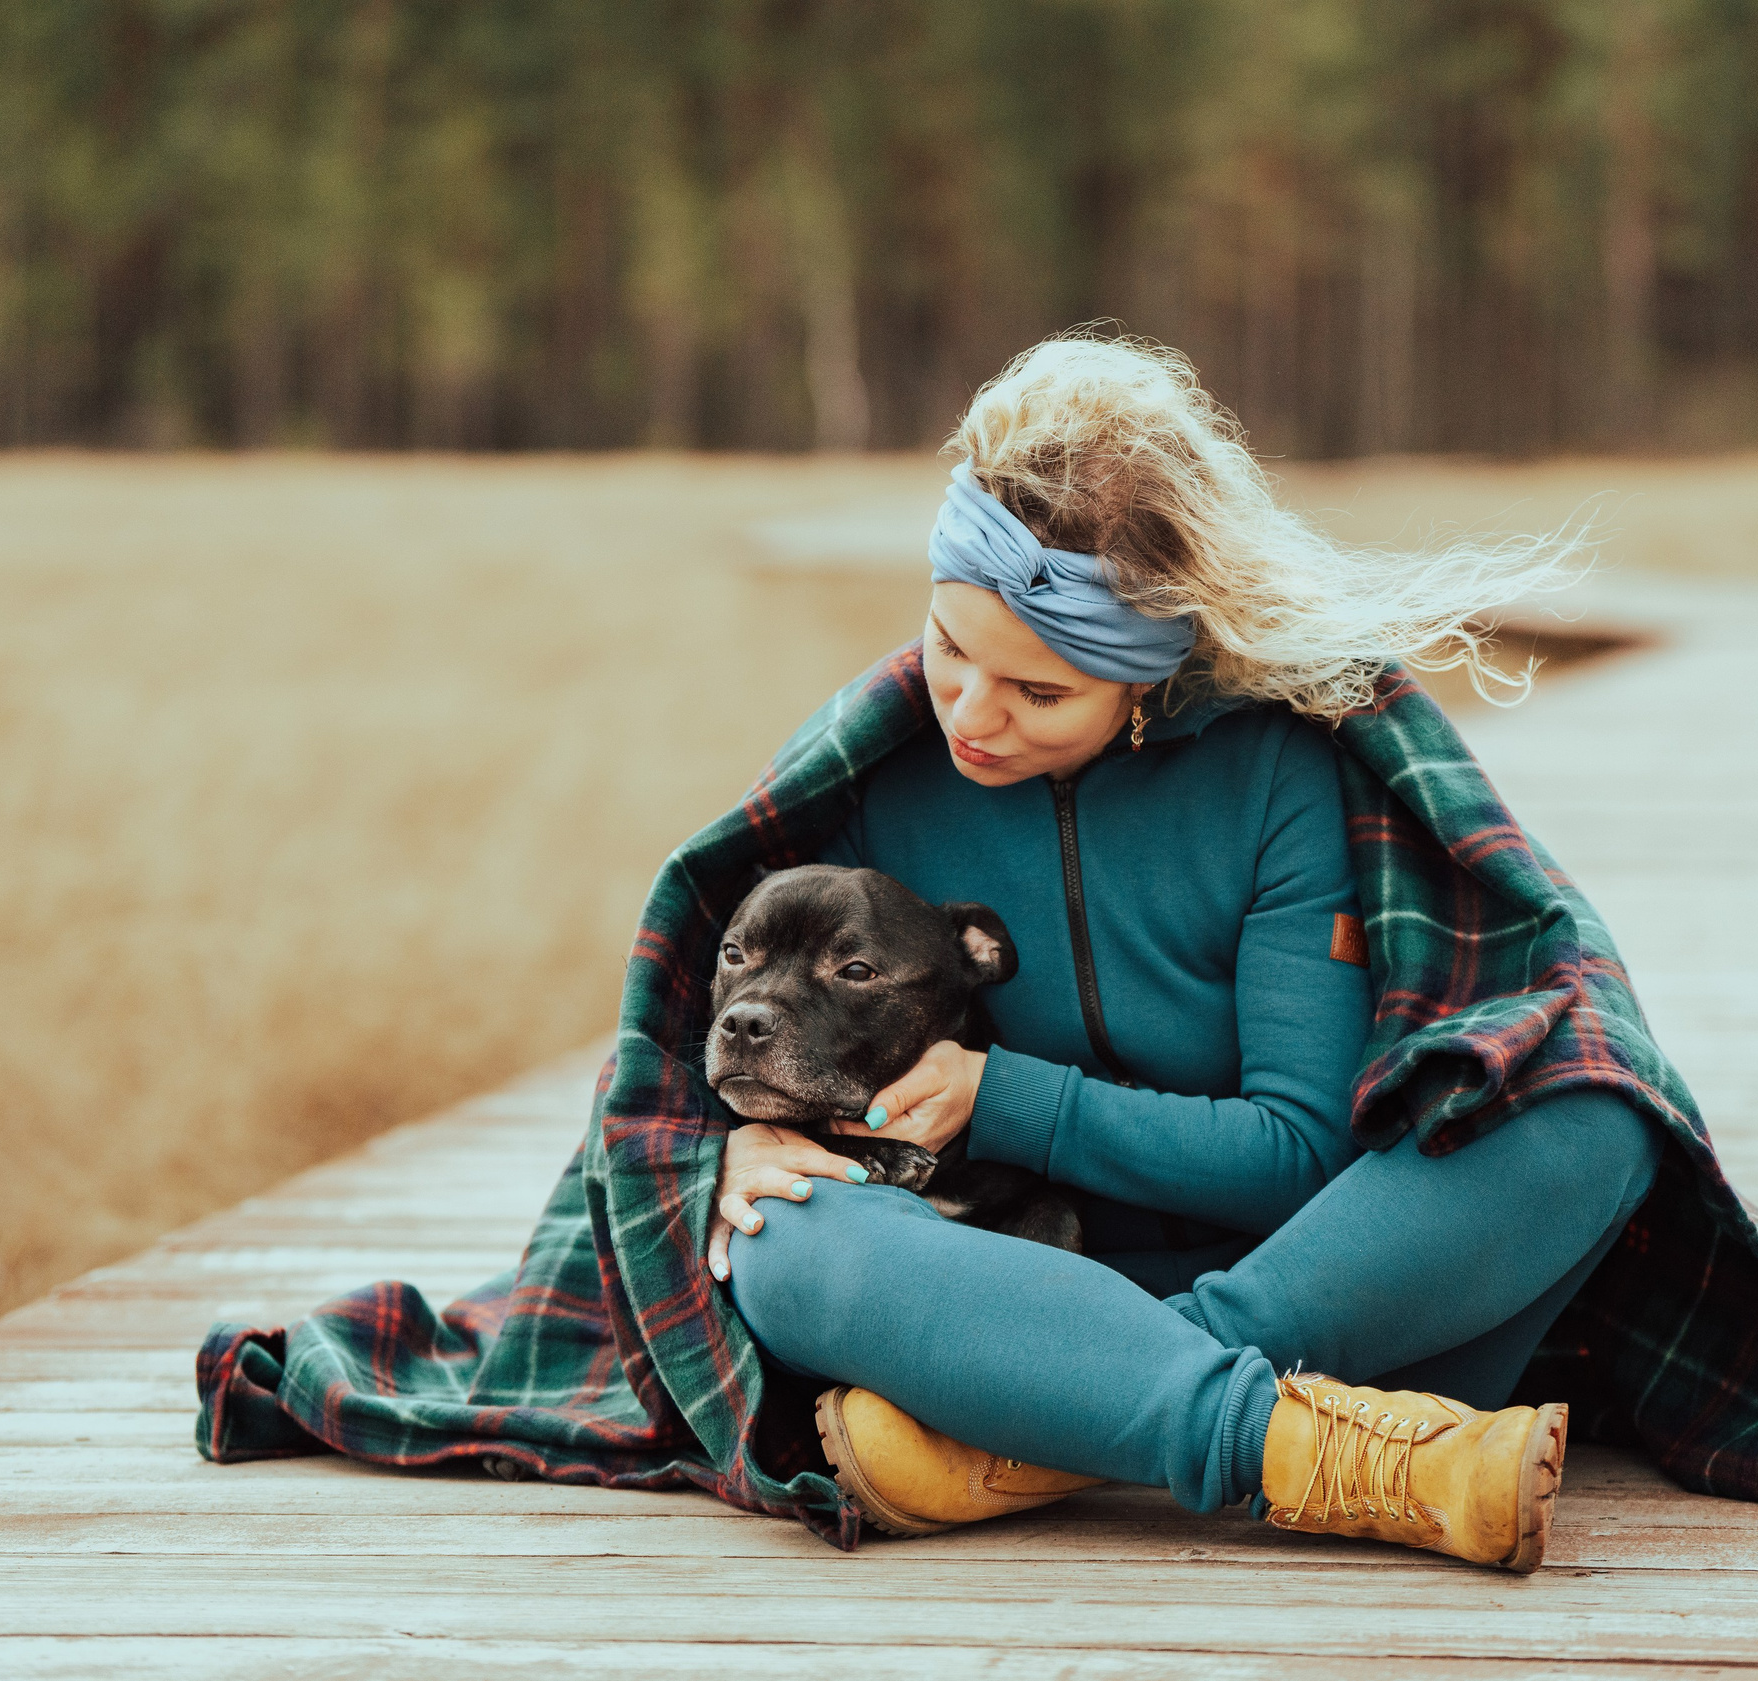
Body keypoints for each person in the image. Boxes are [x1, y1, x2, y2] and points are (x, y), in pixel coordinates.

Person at [703, 334, 1657, 1569]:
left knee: (1594, 1114)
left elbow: (1295, 1155)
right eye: (947, 645)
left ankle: (1046, 1423)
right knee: (785, 1240)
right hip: (996, 1264)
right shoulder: (866, 769)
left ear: (1145, 683)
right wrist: (731, 1140)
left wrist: (1002, 1098)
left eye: (1039, 693)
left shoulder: (1281, 773)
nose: (968, 715)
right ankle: (1327, 1446)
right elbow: (704, 1011)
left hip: (1297, 1264)